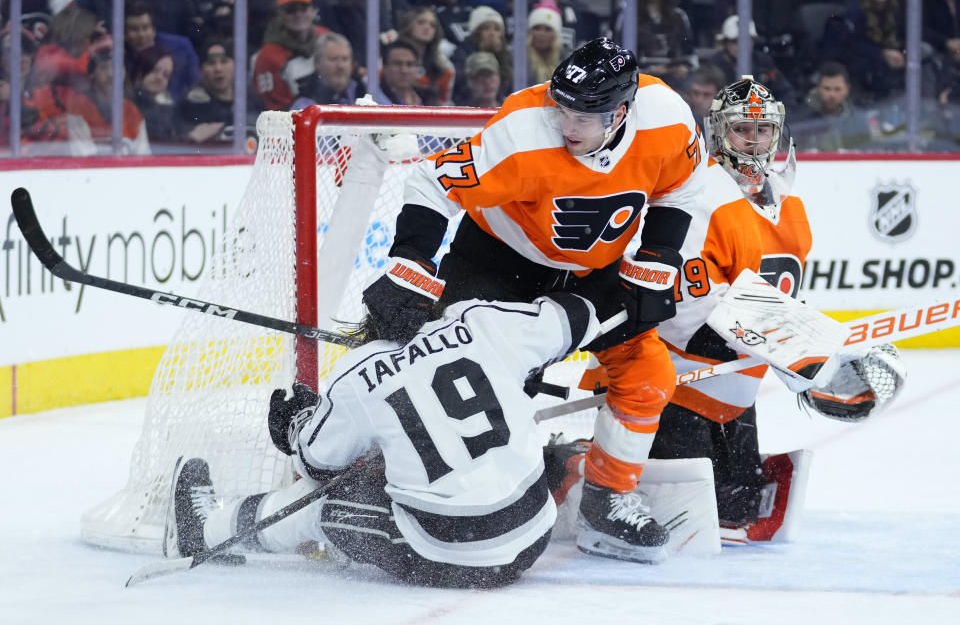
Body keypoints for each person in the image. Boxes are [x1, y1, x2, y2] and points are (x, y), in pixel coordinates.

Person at [360, 37, 708, 563]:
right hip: (499, 264)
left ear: (621, 112)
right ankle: (376, 487)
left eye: (584, 118)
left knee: (648, 375)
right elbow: (433, 181)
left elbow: (680, 189)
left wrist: (658, 258)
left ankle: (606, 501)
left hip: (595, 272)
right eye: (562, 109)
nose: (568, 126)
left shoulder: (668, 121)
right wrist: (411, 266)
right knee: (463, 390)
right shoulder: (522, 130)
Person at [572, 76, 906, 542]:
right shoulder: (699, 194)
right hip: (669, 378)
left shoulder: (788, 201)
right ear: (717, 132)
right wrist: (793, 354)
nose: (754, 139)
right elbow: (684, 312)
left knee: (739, 507)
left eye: (764, 129)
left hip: (731, 386)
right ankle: (575, 465)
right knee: (691, 515)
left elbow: (779, 298)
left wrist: (811, 356)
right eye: (742, 129)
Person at [167, 292, 604, 588]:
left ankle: (205, 532)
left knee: (325, 502)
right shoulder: (483, 320)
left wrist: (296, 422)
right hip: (535, 536)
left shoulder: (359, 374)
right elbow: (579, 314)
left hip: (454, 557)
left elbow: (318, 464)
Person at [252, 0, 327, 111]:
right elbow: (273, 106)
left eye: (303, 8)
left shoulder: (326, 37)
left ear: (312, 10)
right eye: (291, 10)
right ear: (280, 13)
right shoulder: (267, 56)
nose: (298, 14)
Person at [123, 2, 200, 102]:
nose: (141, 35)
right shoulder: (120, 55)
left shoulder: (181, 46)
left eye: (145, 28)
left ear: (154, 29)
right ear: (124, 33)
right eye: (134, 29)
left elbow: (195, 82)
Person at [791, 61, 876, 152]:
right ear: (818, 88)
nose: (832, 94)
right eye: (827, 88)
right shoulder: (800, 118)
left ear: (847, 89)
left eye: (837, 89)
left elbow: (865, 154)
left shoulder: (858, 120)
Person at [177, 39, 240, 145]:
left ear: (235, 65)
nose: (218, 69)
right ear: (201, 70)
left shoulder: (250, 99)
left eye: (224, 61)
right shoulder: (190, 106)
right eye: (211, 63)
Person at [451, 6, 512, 106]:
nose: (492, 33)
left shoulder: (508, 58)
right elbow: (460, 89)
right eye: (486, 28)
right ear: (475, 33)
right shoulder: (461, 55)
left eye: (497, 29)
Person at [395, 6, 456, 106]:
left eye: (432, 25)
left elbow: (444, 101)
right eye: (421, 22)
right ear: (409, 25)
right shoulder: (391, 54)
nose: (427, 28)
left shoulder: (444, 65)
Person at [290, 33, 366, 109]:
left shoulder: (365, 90)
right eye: (333, 59)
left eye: (345, 59)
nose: (340, 66)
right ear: (317, 63)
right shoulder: (304, 104)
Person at [372, 40, 436, 106]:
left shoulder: (430, 98)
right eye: (397, 64)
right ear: (385, 67)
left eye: (410, 64)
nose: (404, 70)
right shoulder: (373, 99)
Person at [525, 1, 569, 87]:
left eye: (548, 29)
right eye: (537, 28)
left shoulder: (566, 62)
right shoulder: (519, 61)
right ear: (530, 33)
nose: (542, 34)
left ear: (556, 35)